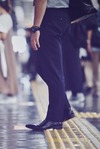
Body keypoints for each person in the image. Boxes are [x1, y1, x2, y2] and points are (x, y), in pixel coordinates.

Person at [25, 0, 75, 131]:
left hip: (51, 17)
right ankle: (63, 109)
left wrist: (35, 28)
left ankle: (55, 118)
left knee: (51, 68)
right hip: (62, 17)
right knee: (45, 66)